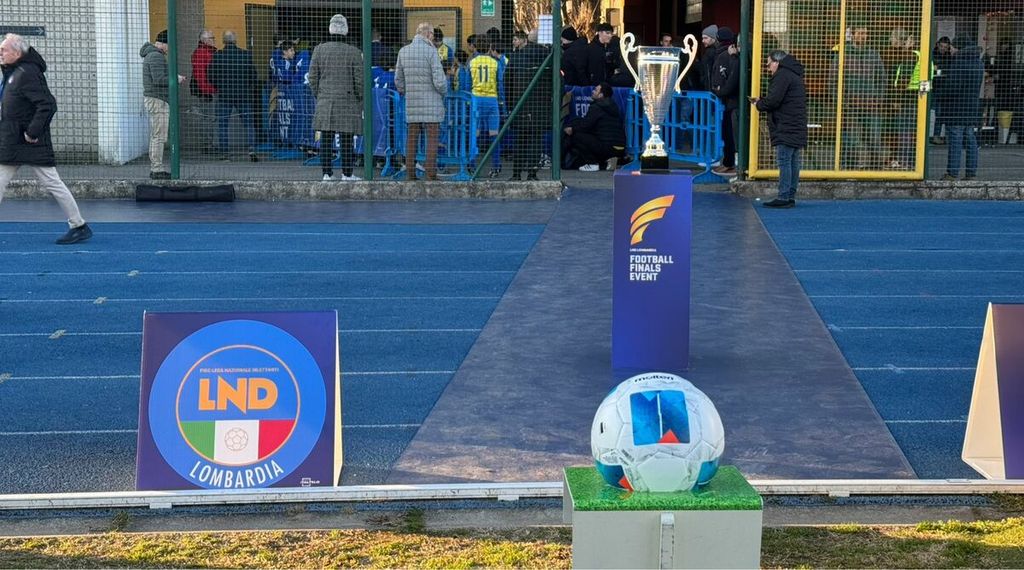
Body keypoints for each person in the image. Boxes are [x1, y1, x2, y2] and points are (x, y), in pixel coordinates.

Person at [0, 34, 92, 244]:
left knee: (53, 183)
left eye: (3, 50)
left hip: (30, 142)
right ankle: (79, 225)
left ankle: (79, 225)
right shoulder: (14, 72)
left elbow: (47, 105)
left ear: (17, 53)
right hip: (12, 141)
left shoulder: (27, 73)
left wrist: (32, 133)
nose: (0, 53)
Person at [309, 14, 364, 181]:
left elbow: (312, 77)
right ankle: (347, 174)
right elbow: (359, 80)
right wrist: (358, 97)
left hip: (325, 100)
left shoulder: (319, 50)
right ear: (346, 30)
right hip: (347, 101)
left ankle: (327, 174)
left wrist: (319, 94)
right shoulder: (354, 52)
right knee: (347, 139)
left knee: (326, 138)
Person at [752, 50, 807, 208]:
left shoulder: (782, 75)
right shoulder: (794, 74)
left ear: (777, 62)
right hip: (796, 123)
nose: (768, 67)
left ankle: (783, 197)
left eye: (769, 64)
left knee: (784, 161)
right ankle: (790, 196)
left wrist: (759, 103)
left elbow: (774, 100)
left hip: (785, 124)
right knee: (793, 161)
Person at [395, 22, 447, 181]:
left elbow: (398, 79)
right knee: (432, 138)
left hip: (412, 102)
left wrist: (405, 91)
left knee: (412, 137)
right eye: (432, 35)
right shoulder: (431, 52)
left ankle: (410, 172)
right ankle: (431, 173)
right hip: (432, 103)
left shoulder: (403, 51)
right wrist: (444, 91)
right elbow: (439, 81)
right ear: (428, 34)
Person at [505, 30, 551, 180]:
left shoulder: (516, 58)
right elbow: (557, 81)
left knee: (520, 140)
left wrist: (511, 104)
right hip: (540, 105)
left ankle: (516, 173)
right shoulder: (547, 56)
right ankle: (532, 173)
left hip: (520, 104)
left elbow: (507, 82)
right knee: (536, 141)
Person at [838, 24, 885, 169]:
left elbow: (881, 79)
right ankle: (850, 168)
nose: (863, 36)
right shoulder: (844, 55)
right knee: (852, 140)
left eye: (865, 33)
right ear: (852, 35)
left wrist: (878, 99)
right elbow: (834, 80)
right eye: (859, 33)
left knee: (874, 138)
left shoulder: (874, 55)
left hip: (871, 105)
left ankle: (875, 169)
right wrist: (841, 103)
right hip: (851, 106)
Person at [209, 30, 259, 160]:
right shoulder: (245, 55)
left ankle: (225, 153)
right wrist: (249, 88)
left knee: (223, 125)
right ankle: (252, 150)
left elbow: (211, 75)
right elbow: (253, 75)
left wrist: (219, 86)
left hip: (224, 95)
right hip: (243, 94)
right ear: (235, 40)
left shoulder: (218, 56)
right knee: (249, 123)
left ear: (223, 41)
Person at [140, 30, 182, 179]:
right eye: (170, 45)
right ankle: (157, 169)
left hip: (154, 99)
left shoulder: (151, 55)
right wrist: (175, 79)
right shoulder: (156, 56)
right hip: (158, 100)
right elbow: (158, 79)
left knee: (157, 134)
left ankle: (156, 167)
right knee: (159, 136)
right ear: (164, 43)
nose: (170, 49)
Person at [944, 37, 983, 180]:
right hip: (971, 107)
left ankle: (952, 173)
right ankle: (971, 173)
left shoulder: (959, 62)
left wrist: (942, 91)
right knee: (971, 140)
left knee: (955, 140)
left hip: (956, 107)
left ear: (958, 47)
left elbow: (953, 87)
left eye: (952, 47)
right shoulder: (978, 63)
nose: (950, 50)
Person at [562, 82, 626, 171]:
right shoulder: (613, 106)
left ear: (601, 95)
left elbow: (585, 126)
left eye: (596, 90)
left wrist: (572, 129)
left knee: (576, 136)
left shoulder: (597, 107)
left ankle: (592, 163)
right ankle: (606, 163)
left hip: (608, 148)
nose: (592, 91)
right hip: (620, 149)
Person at [469, 37, 503, 177]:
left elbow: (468, 83)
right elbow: (500, 83)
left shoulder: (472, 62)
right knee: (494, 134)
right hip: (492, 100)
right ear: (489, 47)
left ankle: (472, 165)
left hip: (476, 100)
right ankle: (496, 166)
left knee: (475, 134)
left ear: (475, 47)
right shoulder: (495, 63)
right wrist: (502, 103)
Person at [710, 27, 739, 175]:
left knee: (729, 135)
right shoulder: (731, 54)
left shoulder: (725, 55)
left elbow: (728, 78)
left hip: (729, 102)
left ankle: (730, 164)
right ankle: (728, 163)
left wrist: (719, 91)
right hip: (730, 101)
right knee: (729, 134)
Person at [189, 30, 218, 150]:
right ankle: (207, 145)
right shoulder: (202, 52)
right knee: (207, 117)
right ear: (204, 40)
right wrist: (207, 91)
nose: (214, 40)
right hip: (205, 91)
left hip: (207, 89)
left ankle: (208, 143)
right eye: (211, 38)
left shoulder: (208, 51)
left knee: (208, 117)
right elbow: (200, 75)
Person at [699, 24, 722, 91]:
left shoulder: (710, 52)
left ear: (713, 38)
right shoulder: (716, 50)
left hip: (710, 89)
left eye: (706, 38)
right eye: (703, 38)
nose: (703, 41)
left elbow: (708, 73)